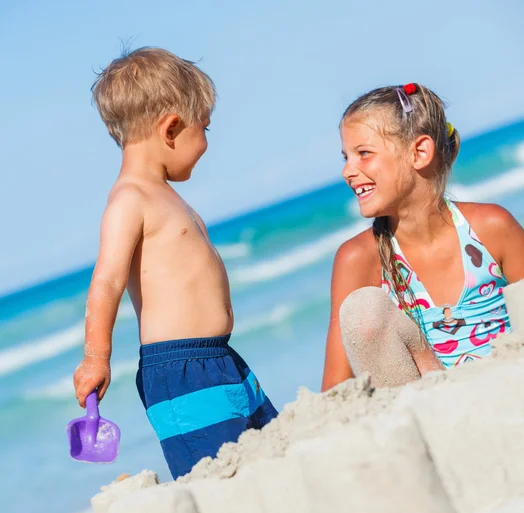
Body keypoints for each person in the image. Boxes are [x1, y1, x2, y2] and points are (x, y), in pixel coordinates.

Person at [73, 47, 277, 479]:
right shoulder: (130, 198)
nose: (205, 142)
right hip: (181, 371)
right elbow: (106, 280)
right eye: (204, 127)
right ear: (171, 128)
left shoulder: (162, 195)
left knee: (270, 450)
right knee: (220, 477)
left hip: (219, 359)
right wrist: (96, 356)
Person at [322, 83, 524, 391]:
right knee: (363, 310)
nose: (347, 171)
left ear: (420, 152)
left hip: (504, 395)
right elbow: (336, 389)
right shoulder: (358, 258)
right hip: (424, 408)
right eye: (346, 157)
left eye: (364, 154)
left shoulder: (491, 228)